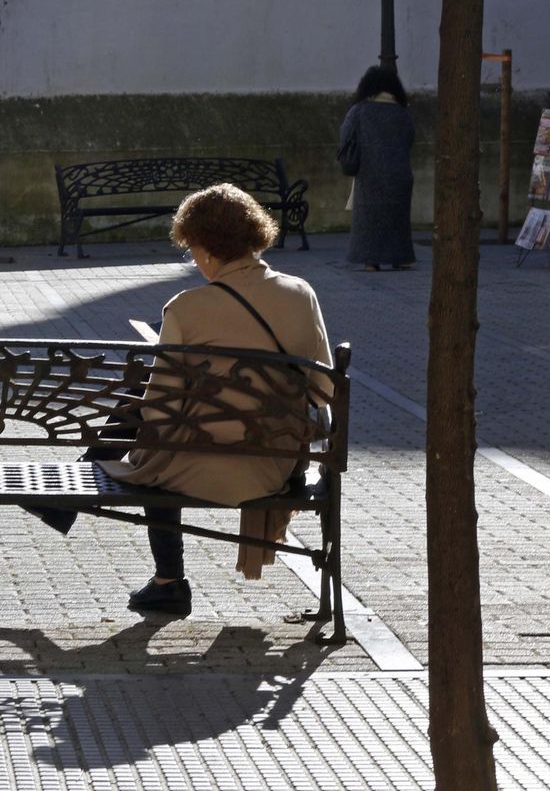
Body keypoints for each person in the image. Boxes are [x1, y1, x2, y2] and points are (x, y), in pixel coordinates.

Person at [32, 184, 334, 617]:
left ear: (208, 248)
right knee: (167, 420)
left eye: (191, 248)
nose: (193, 260)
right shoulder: (300, 292)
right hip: (273, 465)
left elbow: (159, 409)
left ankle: (168, 579)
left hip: (198, 468)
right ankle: (78, 515)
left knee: (159, 429)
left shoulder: (186, 308)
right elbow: (323, 390)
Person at [339, 66, 416, 271]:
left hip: (369, 173)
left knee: (369, 220)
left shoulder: (359, 111)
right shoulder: (402, 112)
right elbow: (410, 140)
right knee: (397, 219)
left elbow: (346, 138)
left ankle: (371, 261)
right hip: (400, 174)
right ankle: (400, 257)